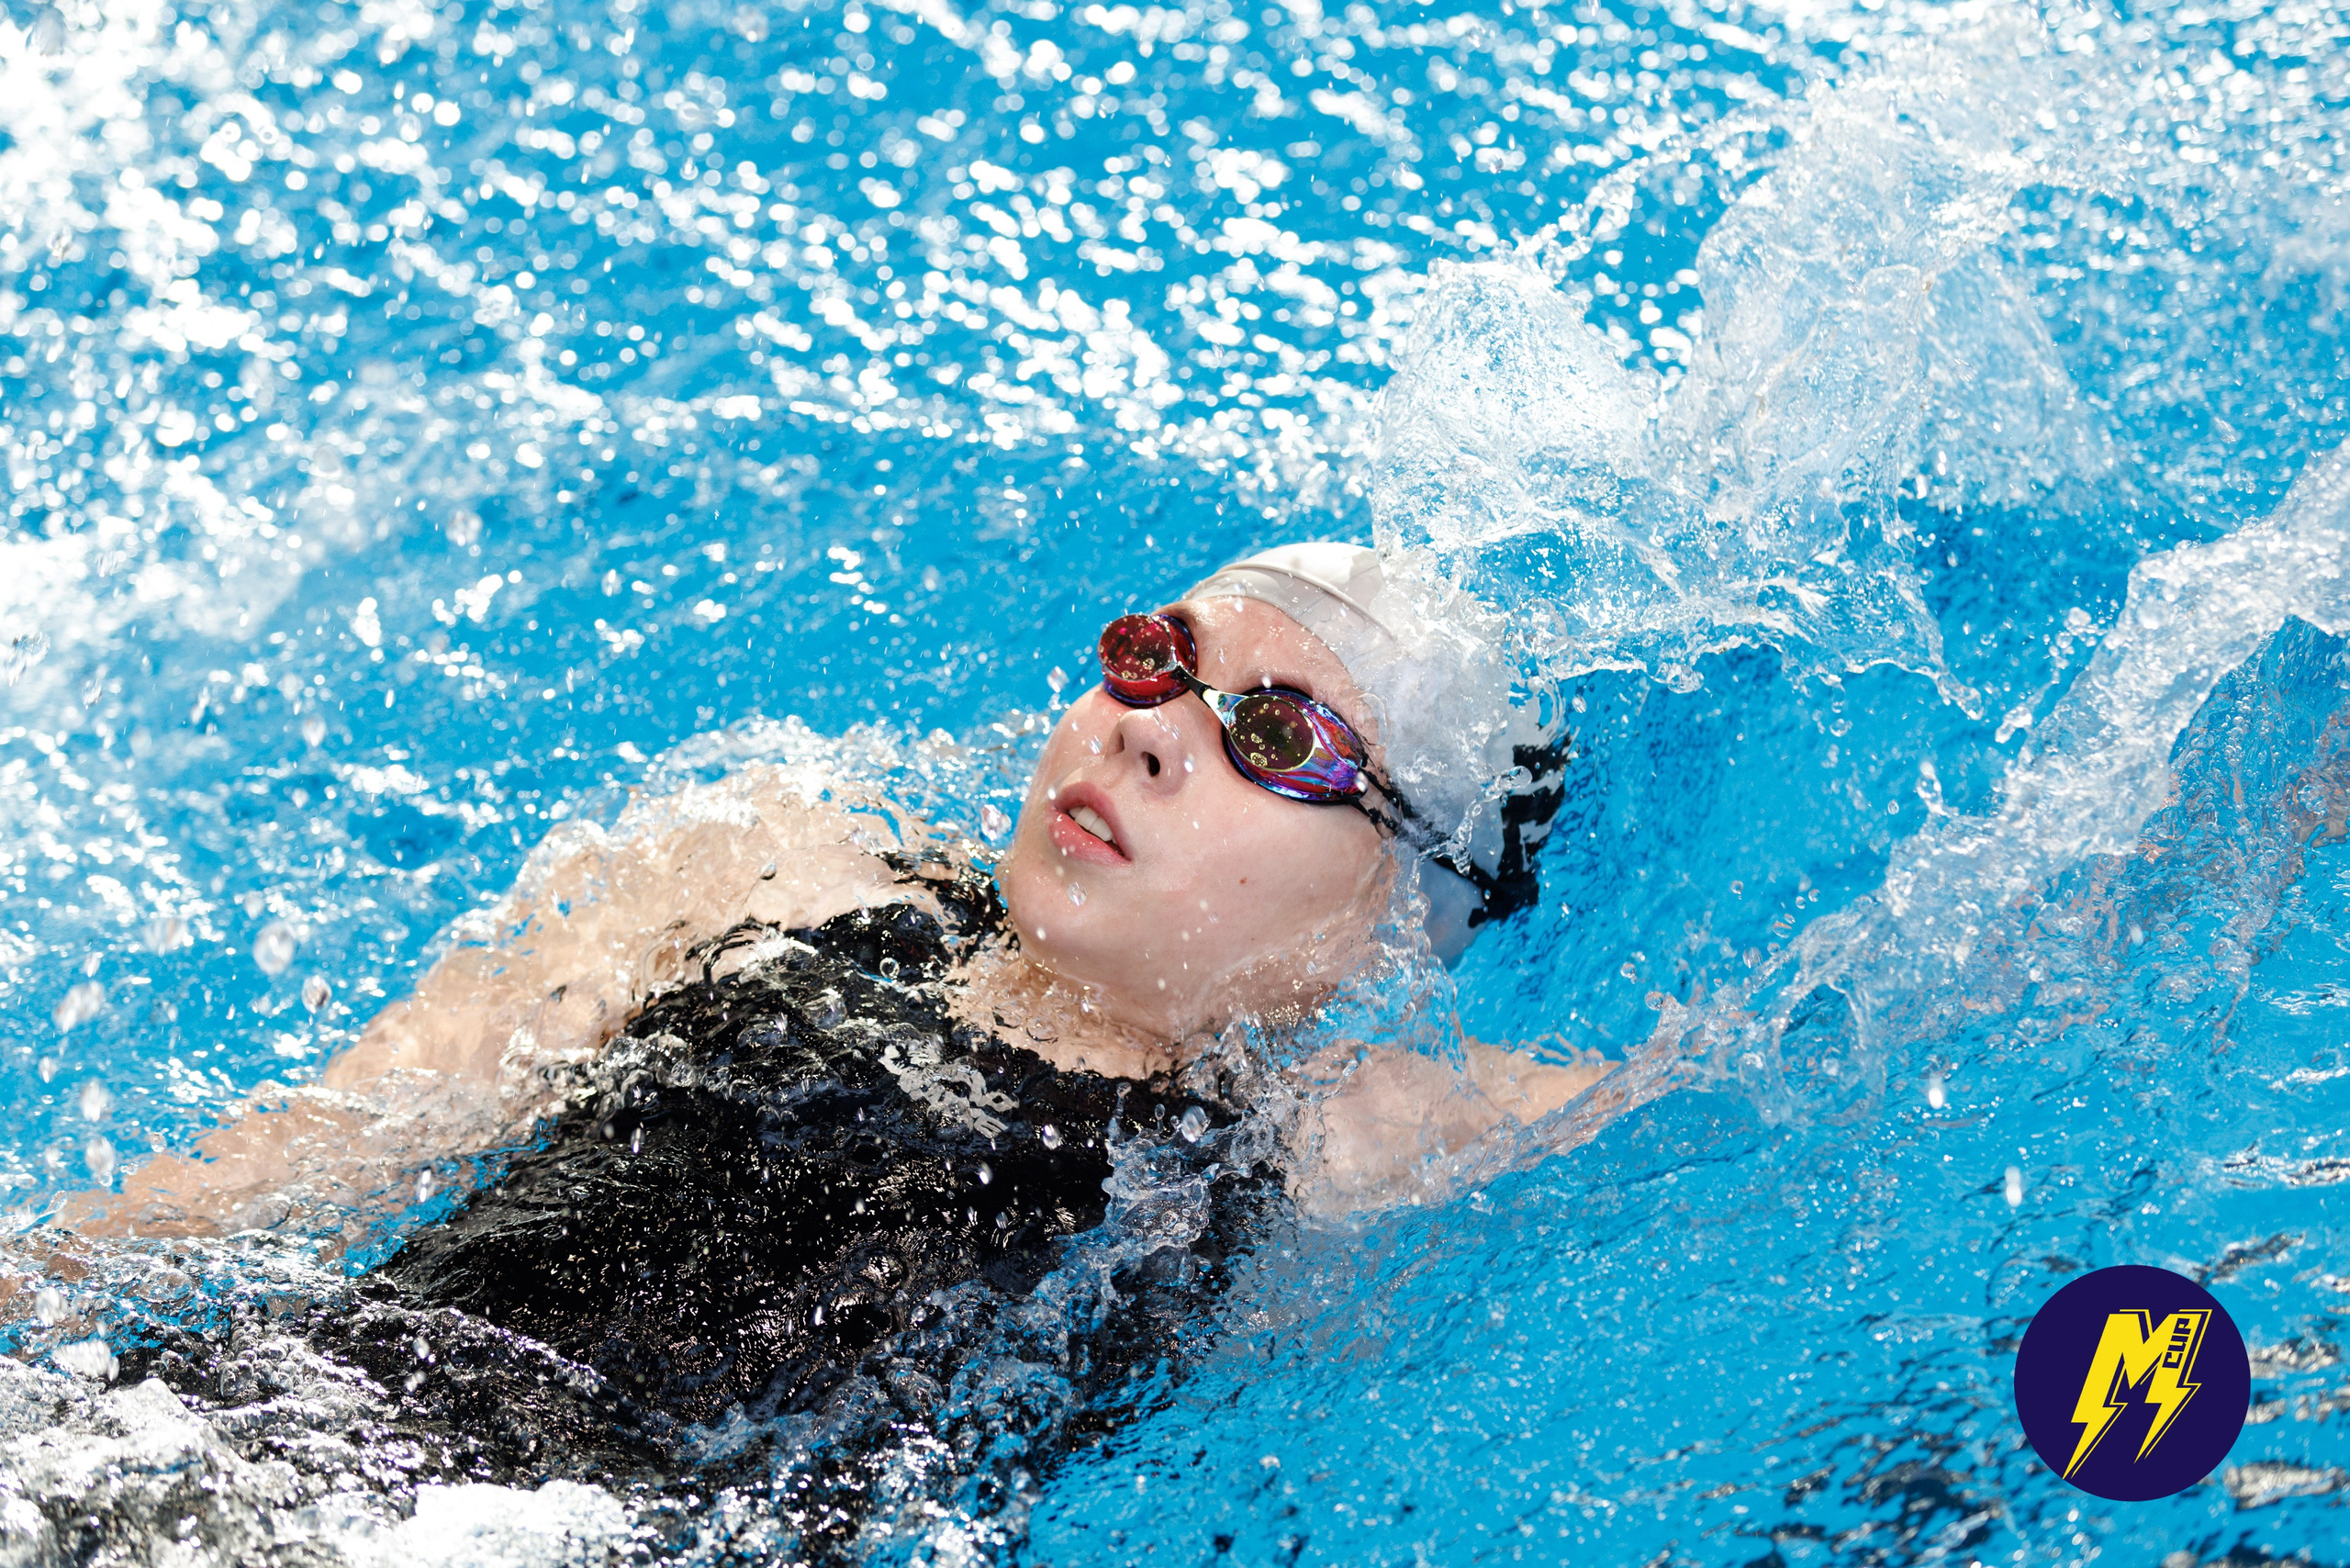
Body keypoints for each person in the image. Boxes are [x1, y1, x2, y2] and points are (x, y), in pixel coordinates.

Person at [35, 543, 1645, 1547]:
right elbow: (261, 1176)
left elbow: (1745, 1099)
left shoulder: (1318, 1132)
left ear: (1377, 923)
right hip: (236, 1438)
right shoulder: (766, 878)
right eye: (1162, 656)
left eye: (1280, 738)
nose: (1151, 729)